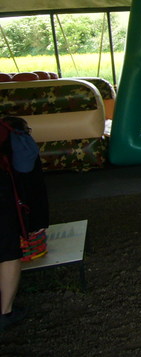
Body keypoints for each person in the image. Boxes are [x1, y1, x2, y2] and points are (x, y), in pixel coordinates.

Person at [0, 116, 48, 333]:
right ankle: (5, 312)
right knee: (8, 254)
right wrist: (37, 222)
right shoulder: (15, 135)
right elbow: (32, 182)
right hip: (4, 203)